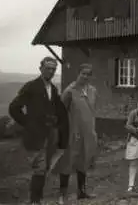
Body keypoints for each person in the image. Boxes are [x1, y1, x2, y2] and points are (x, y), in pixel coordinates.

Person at [8, 57, 69, 205]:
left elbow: (59, 111)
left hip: (50, 135)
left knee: (45, 167)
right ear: (40, 68)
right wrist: (28, 124)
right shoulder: (31, 87)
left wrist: (61, 130)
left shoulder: (53, 89)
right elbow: (14, 108)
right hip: (36, 135)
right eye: (48, 68)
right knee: (39, 168)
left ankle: (37, 199)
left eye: (53, 69)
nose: (51, 71)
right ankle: (35, 201)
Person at [51, 63, 98, 204]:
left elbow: (91, 111)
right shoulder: (69, 91)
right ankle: (62, 195)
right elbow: (60, 113)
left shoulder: (93, 91)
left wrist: (92, 131)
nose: (85, 76)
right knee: (67, 162)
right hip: (73, 133)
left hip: (88, 133)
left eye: (88, 74)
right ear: (78, 74)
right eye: (83, 73)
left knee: (83, 161)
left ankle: (81, 192)